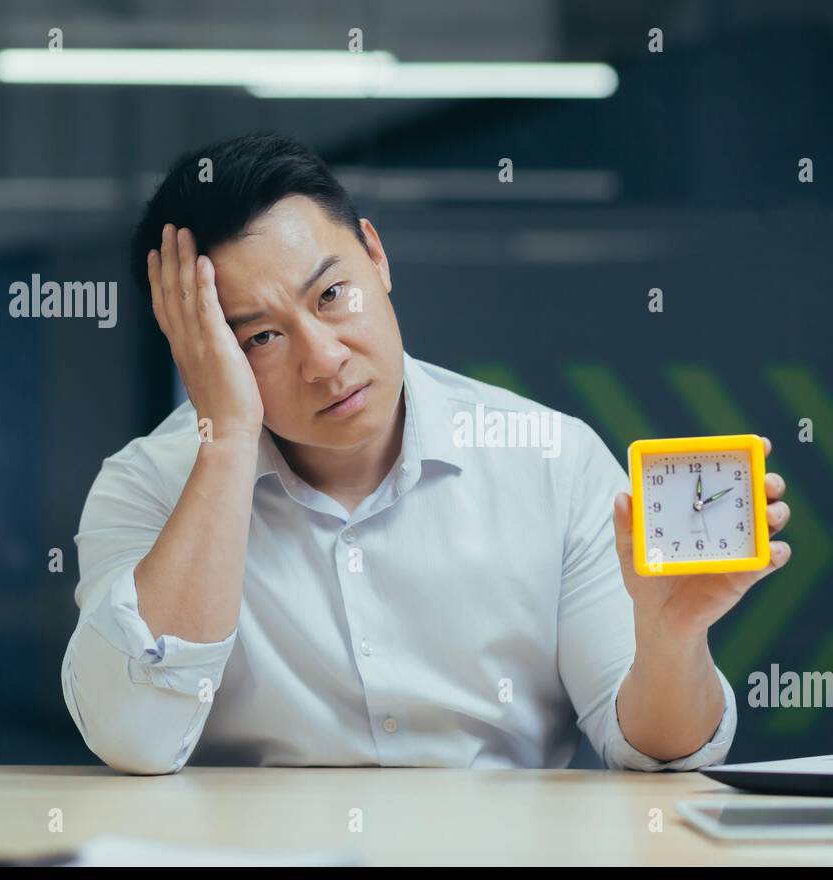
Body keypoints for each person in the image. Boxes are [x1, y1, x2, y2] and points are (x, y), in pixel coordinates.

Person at [61, 132, 792, 774]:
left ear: (377, 257)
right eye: (260, 338)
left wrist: (671, 639)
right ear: (202, 350)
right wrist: (224, 439)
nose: (323, 359)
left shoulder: (552, 461)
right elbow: (135, 739)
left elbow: (660, 752)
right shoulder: (146, 488)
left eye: (331, 295)